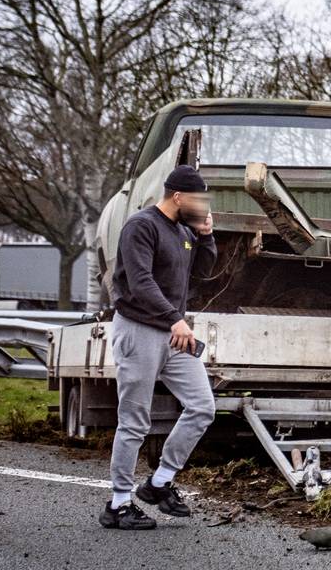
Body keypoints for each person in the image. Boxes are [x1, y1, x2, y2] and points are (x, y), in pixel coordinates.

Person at [99, 165, 218, 530]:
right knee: (134, 421)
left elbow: (202, 273)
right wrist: (174, 318)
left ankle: (159, 482)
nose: (201, 206)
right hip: (140, 330)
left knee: (202, 407)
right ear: (177, 196)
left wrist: (206, 236)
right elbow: (139, 282)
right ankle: (118, 505)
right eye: (197, 200)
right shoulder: (141, 226)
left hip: (172, 333)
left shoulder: (183, 230)